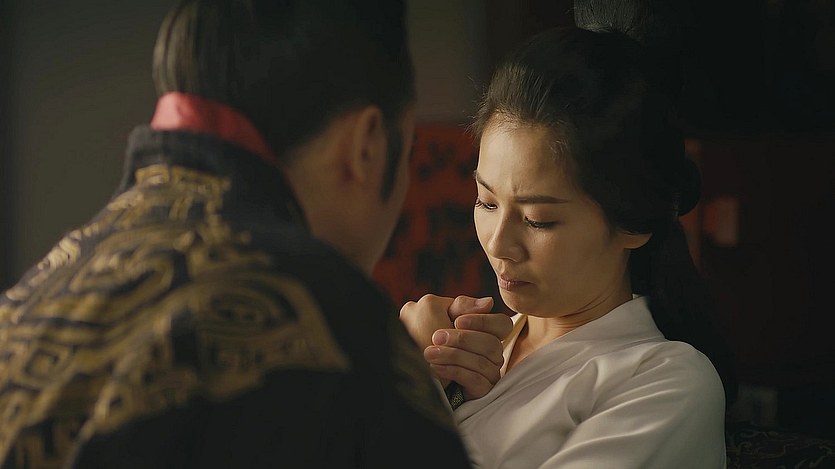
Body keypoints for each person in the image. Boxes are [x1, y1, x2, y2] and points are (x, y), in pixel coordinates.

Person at [0, 1, 477, 467]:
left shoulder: (37, 290)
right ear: (367, 146)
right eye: (406, 150)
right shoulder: (332, 323)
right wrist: (408, 380)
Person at [399, 2, 739, 468]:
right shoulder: (469, 350)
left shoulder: (665, 381)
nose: (497, 244)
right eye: (486, 202)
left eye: (538, 220)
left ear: (633, 223)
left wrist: (411, 388)